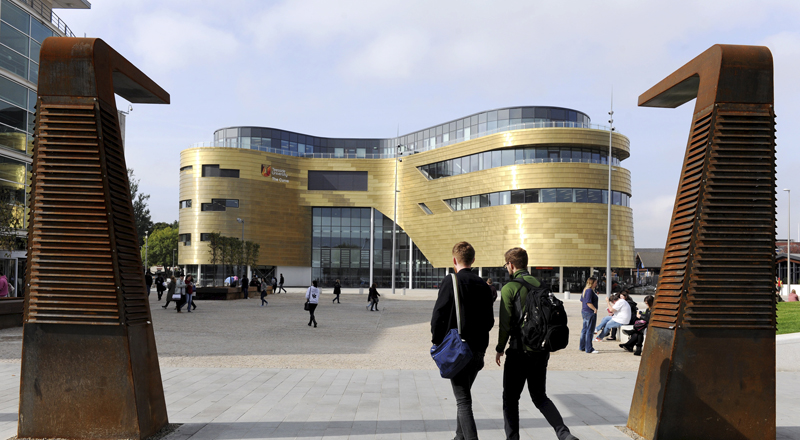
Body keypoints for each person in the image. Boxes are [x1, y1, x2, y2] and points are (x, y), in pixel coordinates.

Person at [496, 247, 578, 440]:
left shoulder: (510, 288)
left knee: (510, 399)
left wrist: (500, 348)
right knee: (540, 397)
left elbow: (505, 324)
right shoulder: (542, 285)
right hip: (541, 350)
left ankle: (513, 438)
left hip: (519, 351)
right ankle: (564, 433)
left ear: (511, 265)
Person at [431, 242, 495, 440]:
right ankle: (459, 437)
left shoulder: (451, 281)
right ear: (473, 260)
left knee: (463, 401)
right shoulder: (484, 286)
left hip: (459, 350)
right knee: (464, 395)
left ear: (454, 261)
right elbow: (490, 321)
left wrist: (437, 341)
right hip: (478, 351)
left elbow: (438, 316)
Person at [579, 277, 599, 354]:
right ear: (592, 283)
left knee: (584, 330)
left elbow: (582, 301)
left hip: (584, 311)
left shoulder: (585, 290)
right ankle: (589, 348)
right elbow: (588, 302)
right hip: (590, 312)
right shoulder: (589, 291)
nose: (596, 284)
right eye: (595, 283)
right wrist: (594, 309)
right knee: (589, 331)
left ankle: (582, 346)